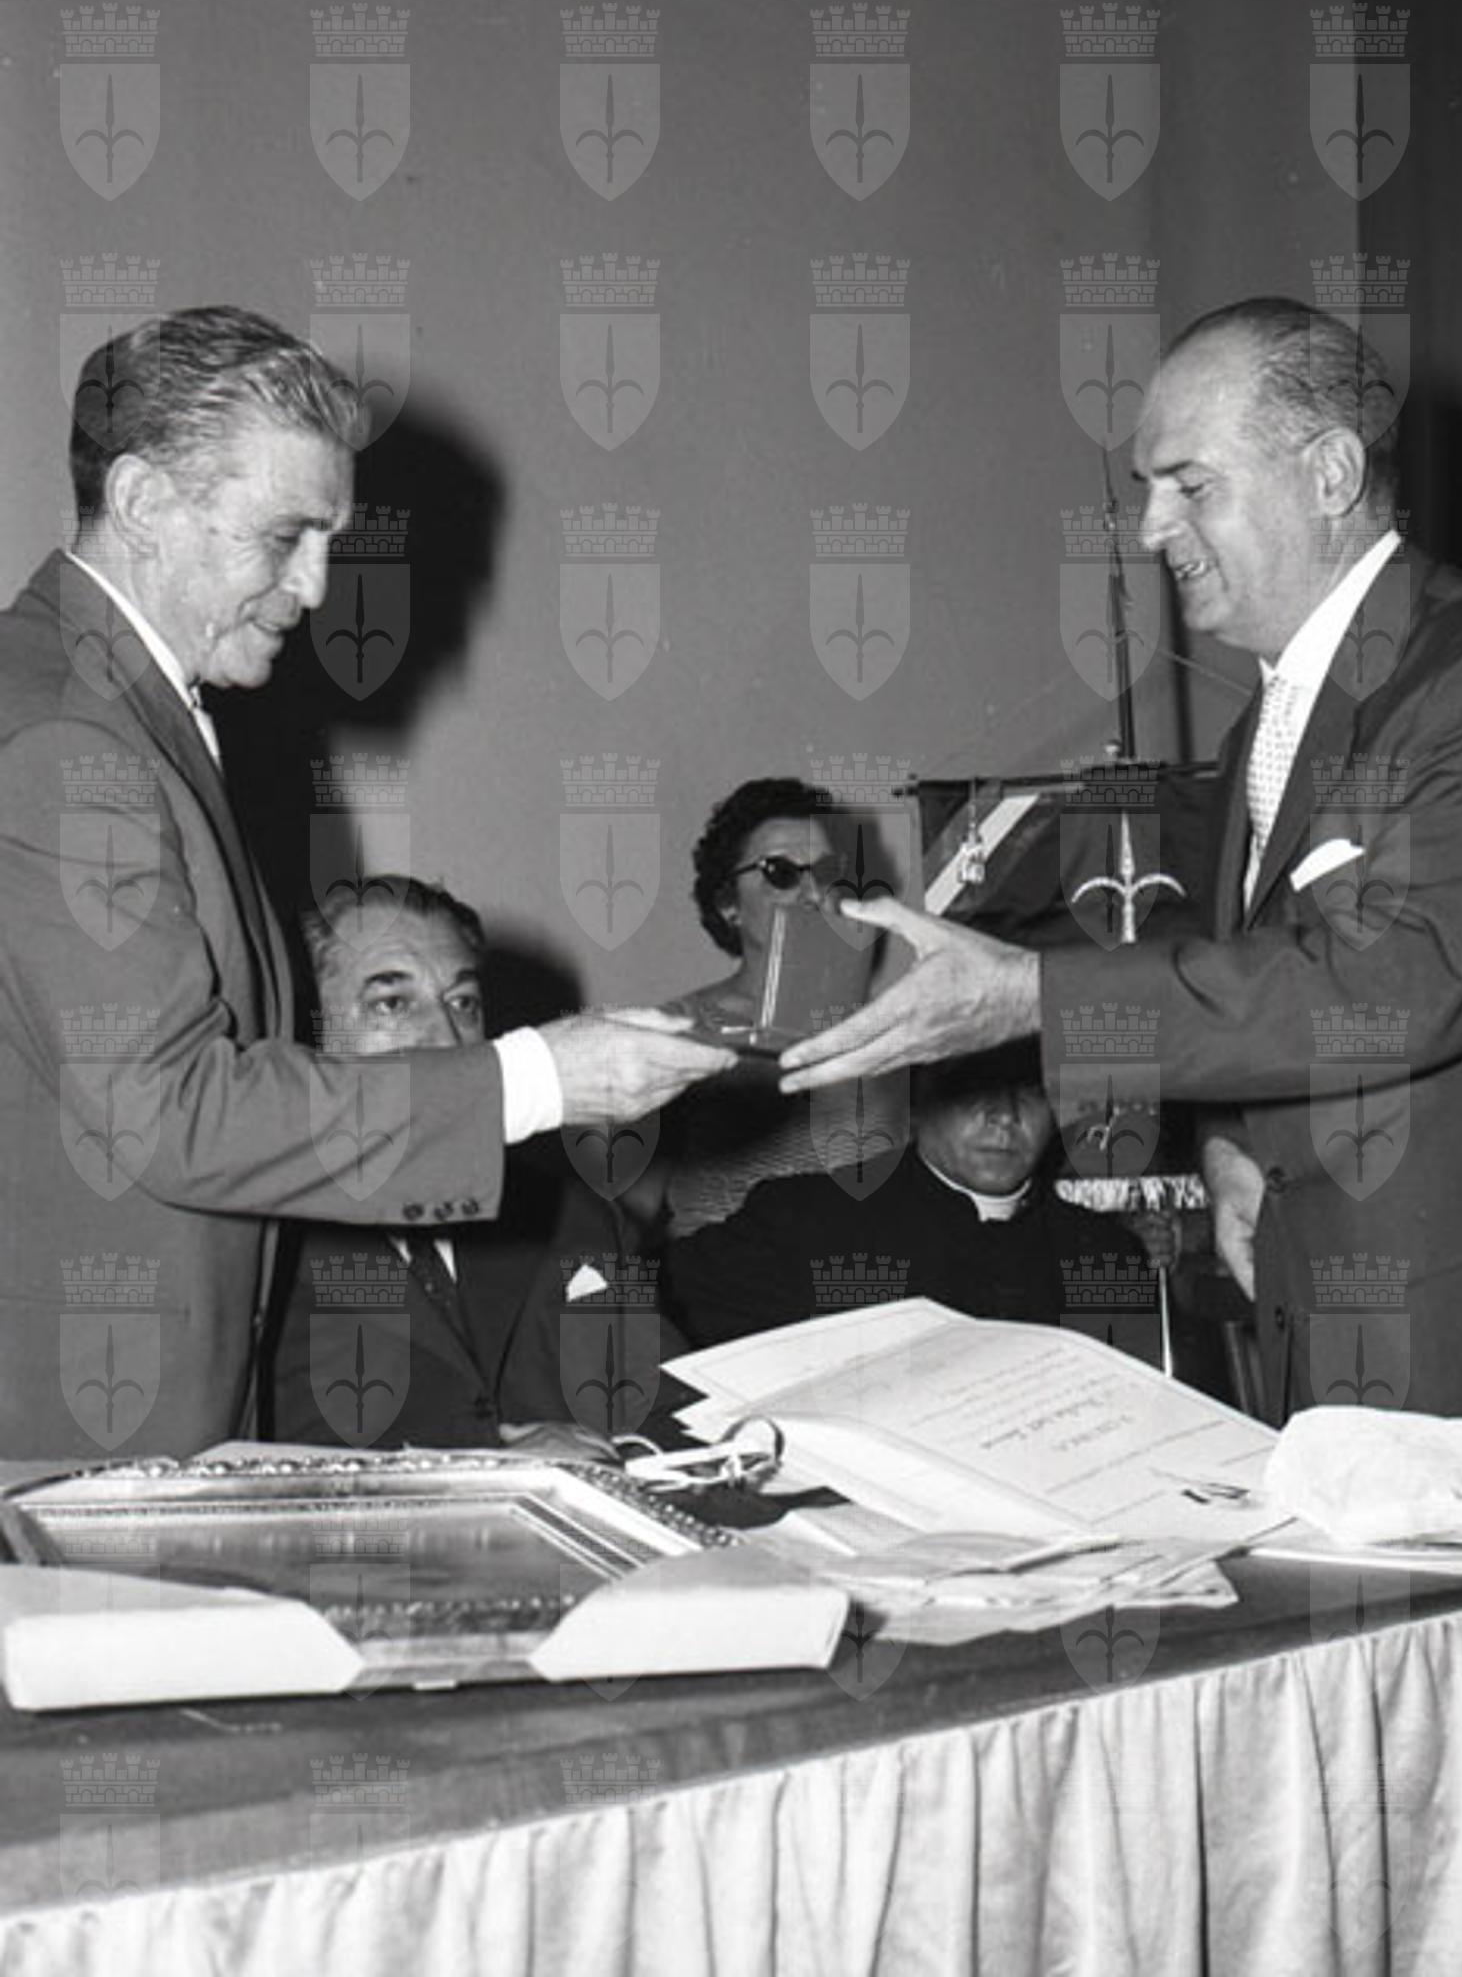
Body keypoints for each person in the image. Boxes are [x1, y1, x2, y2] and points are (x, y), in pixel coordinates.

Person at [783, 297, 1462, 1535]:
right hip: (1394, 1387)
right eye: (1146, 488)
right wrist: (1234, 1140)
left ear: (1330, 474)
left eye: (1188, 485)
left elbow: (1389, 981)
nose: (1150, 526)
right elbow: (1271, 971)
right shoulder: (1269, 725)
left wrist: (1031, 994)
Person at [0, 307, 732, 1460]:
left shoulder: (110, 707)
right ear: (140, 501)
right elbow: (172, 1108)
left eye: (329, 537)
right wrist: (539, 1075)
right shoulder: (64, 733)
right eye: (285, 534)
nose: (315, 584)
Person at [265, 875, 664, 1454]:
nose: (447, 1041)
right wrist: (488, 1466)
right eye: (393, 1004)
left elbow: (672, 1408)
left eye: (463, 1003)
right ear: (307, 1034)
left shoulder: (568, 1215)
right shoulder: (253, 1246)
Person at [665, 1043, 1154, 1352]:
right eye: (975, 1089)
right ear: (919, 1104)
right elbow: (657, 1314)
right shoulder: (804, 1220)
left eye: (1029, 1093)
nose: (1004, 1115)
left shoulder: (1105, 1253)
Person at [631, 777, 843, 1237]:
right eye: (781, 873)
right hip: (721, 1275)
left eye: (826, 873)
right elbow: (628, 1215)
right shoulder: (678, 1031)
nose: (812, 894)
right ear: (729, 904)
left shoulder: (888, 1027)